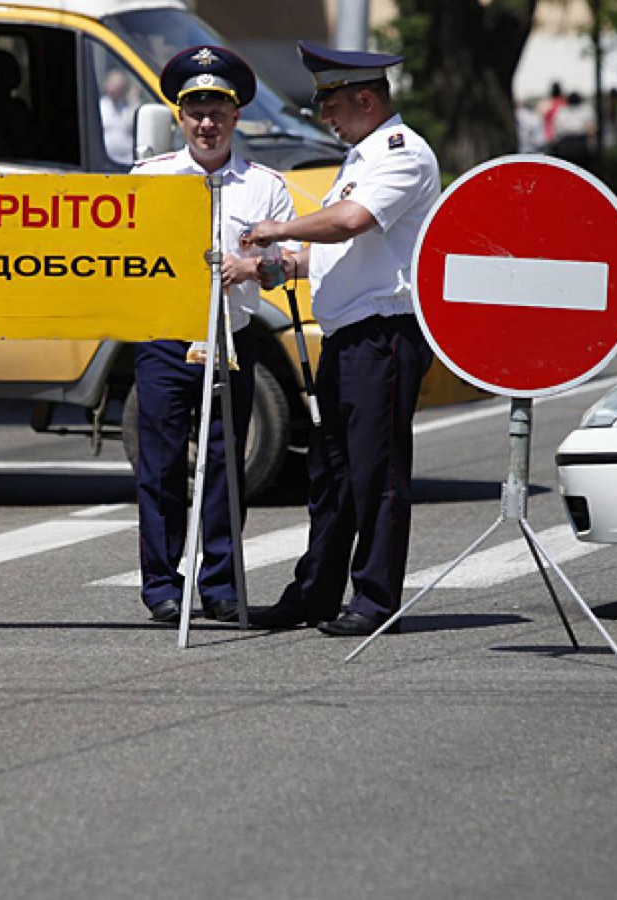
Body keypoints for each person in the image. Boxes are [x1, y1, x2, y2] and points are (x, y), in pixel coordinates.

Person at [242, 43, 439, 637]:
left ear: (364, 97)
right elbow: (340, 251)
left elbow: (352, 223)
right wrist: (271, 265)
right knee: (331, 475)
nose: (324, 115)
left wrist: (278, 226)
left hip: (384, 335)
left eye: (330, 103)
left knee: (375, 474)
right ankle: (316, 592)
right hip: (351, 337)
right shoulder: (360, 157)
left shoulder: (402, 154)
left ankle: (376, 600)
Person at [131, 45, 296, 623]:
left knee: (226, 465)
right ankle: (161, 584)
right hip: (165, 339)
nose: (206, 123)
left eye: (217, 112)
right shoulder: (148, 179)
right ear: (179, 116)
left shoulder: (264, 186)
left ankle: (221, 584)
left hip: (233, 336)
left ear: (235, 117)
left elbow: (284, 267)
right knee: (160, 464)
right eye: (195, 111)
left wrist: (253, 267)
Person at [100, 68, 139, 165]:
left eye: (118, 86)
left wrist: (134, 100)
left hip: (127, 162)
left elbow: (134, 125)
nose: (114, 89)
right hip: (105, 164)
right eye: (112, 84)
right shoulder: (100, 107)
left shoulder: (129, 107)